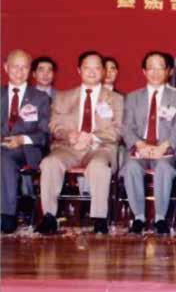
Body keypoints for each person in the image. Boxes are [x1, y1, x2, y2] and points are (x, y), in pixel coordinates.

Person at [36, 51, 124, 235]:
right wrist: (69, 135)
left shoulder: (116, 99)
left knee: (99, 166)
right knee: (49, 163)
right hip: (69, 147)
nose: (92, 72)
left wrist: (91, 137)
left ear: (103, 71)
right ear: (79, 70)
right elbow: (54, 125)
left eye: (97, 68)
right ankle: (49, 216)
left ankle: (99, 218)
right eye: (87, 68)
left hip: (100, 147)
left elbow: (118, 130)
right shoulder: (63, 97)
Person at [120, 52, 176, 235]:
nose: (155, 72)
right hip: (139, 149)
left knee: (164, 167)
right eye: (151, 68)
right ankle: (139, 217)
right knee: (131, 167)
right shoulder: (132, 97)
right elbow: (126, 127)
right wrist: (140, 145)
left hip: (166, 149)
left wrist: (163, 147)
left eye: (160, 68)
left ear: (168, 71)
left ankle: (160, 218)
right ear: (144, 71)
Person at [2, 50, 51, 234]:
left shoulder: (40, 98)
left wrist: (22, 139)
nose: (19, 71)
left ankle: (7, 215)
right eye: (15, 67)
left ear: (30, 71)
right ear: (6, 68)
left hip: (28, 149)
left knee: (5, 158)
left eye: (24, 67)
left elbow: (45, 134)